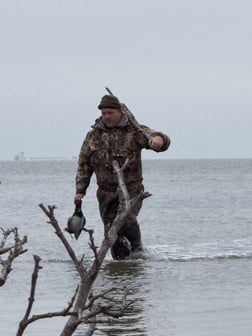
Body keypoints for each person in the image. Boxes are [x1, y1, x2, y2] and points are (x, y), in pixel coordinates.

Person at [74, 94, 171, 259]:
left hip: (131, 191)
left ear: (119, 111)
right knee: (112, 234)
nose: (106, 116)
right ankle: (120, 276)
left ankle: (138, 251)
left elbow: (160, 139)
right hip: (105, 193)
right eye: (103, 113)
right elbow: (84, 163)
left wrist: (158, 140)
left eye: (110, 112)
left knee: (125, 221)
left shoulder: (134, 131)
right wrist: (80, 189)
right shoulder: (93, 135)